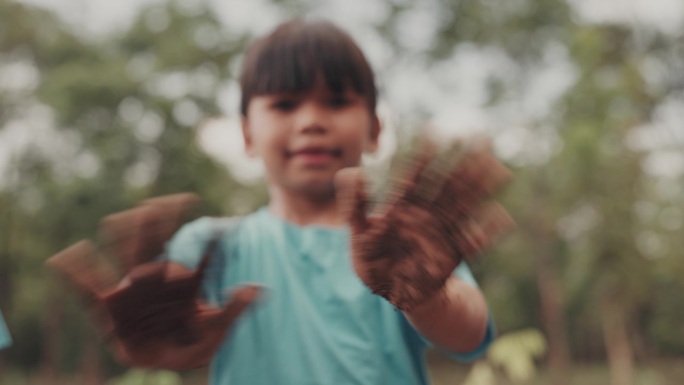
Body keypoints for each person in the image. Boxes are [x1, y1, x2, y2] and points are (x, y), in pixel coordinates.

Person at [50, 18, 510, 385]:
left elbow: (470, 336)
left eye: (336, 101)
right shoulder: (211, 244)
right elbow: (165, 350)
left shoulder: (398, 243)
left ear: (375, 129)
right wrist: (156, 342)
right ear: (248, 133)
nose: (311, 120)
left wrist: (425, 298)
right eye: (285, 104)